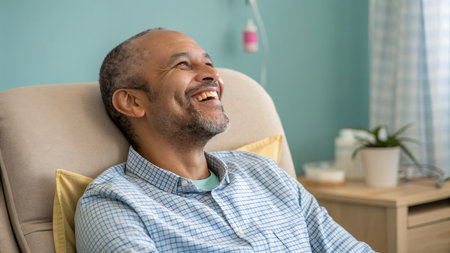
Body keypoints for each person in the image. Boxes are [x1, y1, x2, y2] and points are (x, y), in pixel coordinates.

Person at [75, 28, 374, 252]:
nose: (212, 75)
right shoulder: (113, 203)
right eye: (182, 65)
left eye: (208, 63)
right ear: (132, 103)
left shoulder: (264, 171)